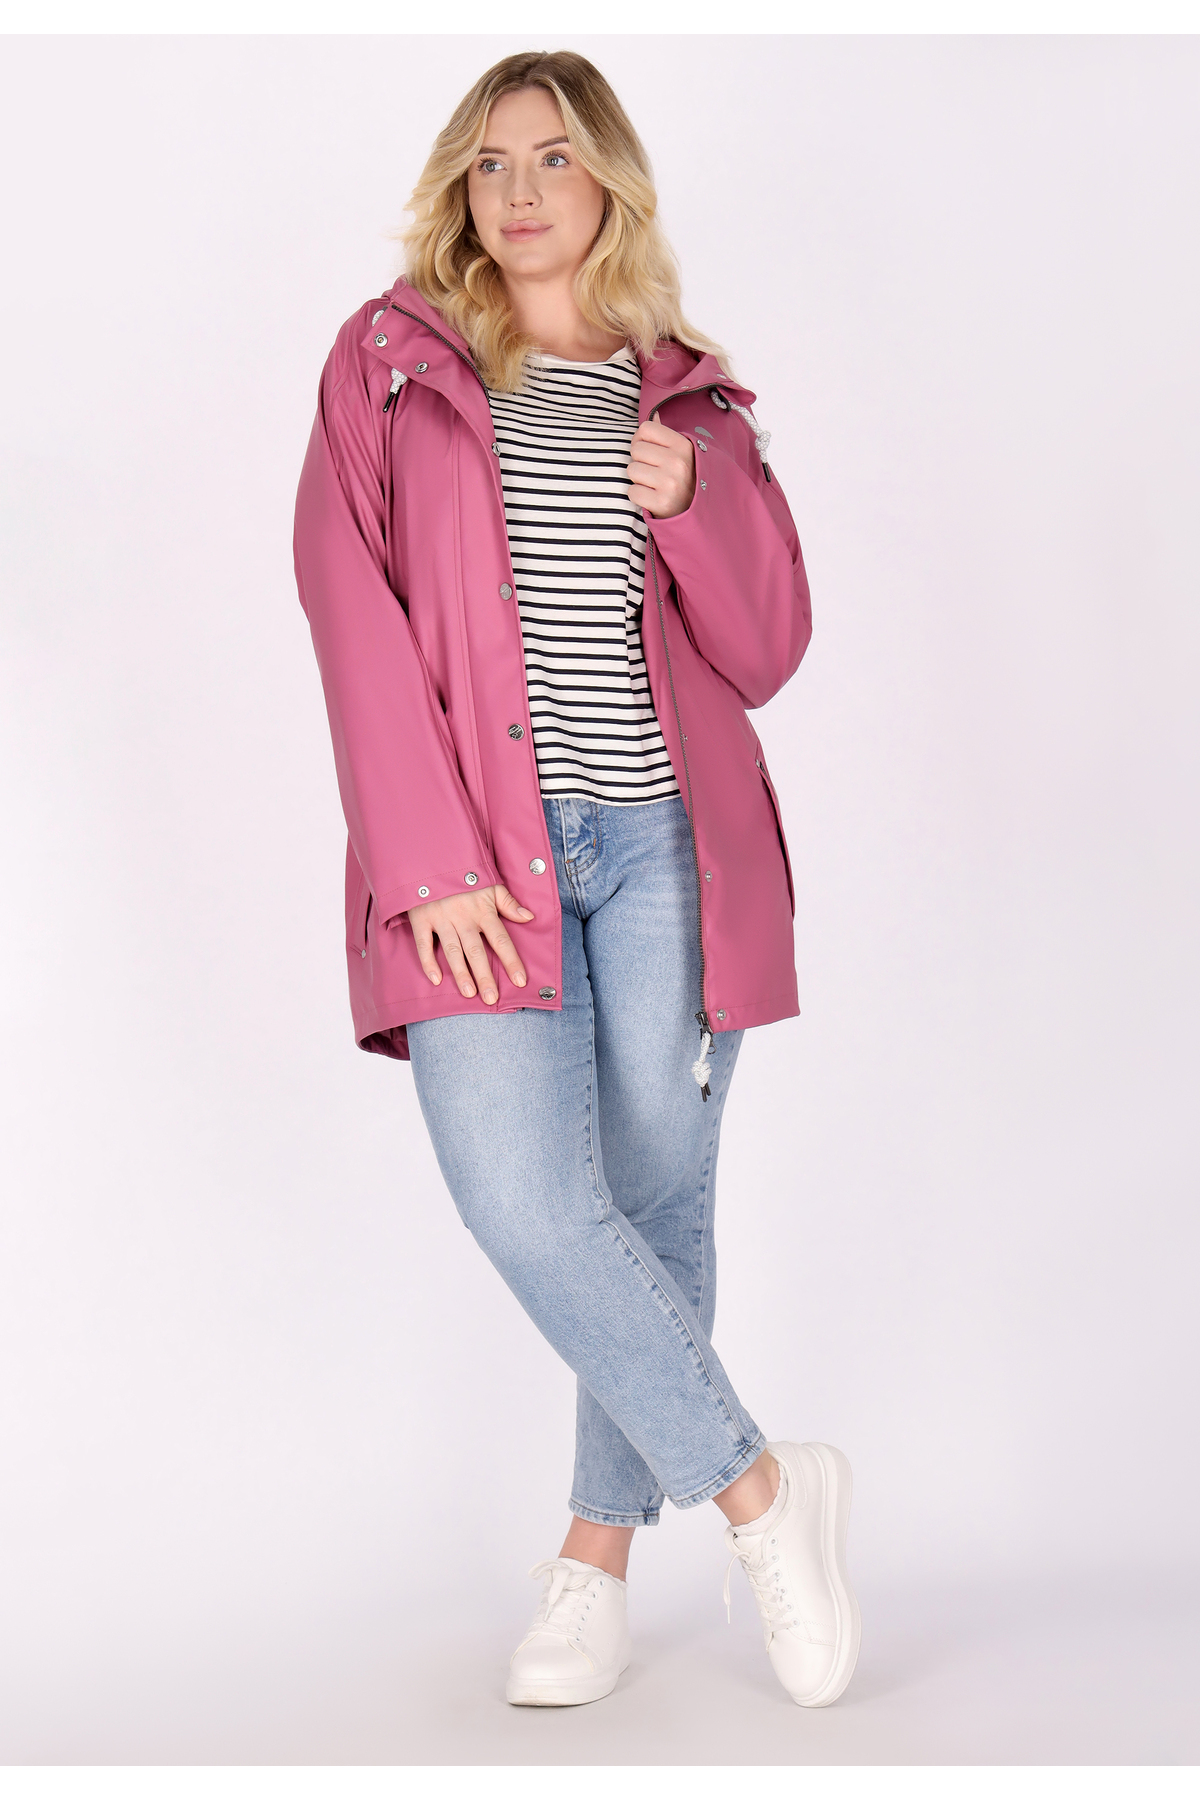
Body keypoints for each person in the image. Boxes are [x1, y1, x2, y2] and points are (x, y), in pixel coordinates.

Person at [293, 48, 859, 1710]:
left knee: (655, 1205)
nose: (522, 190)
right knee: (528, 1202)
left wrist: (698, 505)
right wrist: (426, 862)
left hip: (669, 849)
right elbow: (345, 606)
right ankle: (763, 1492)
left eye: (553, 157)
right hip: (479, 857)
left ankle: (593, 1566)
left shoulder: (690, 404)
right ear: (459, 190)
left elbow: (768, 649)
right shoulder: (391, 365)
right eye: (492, 162)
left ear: (608, 179)